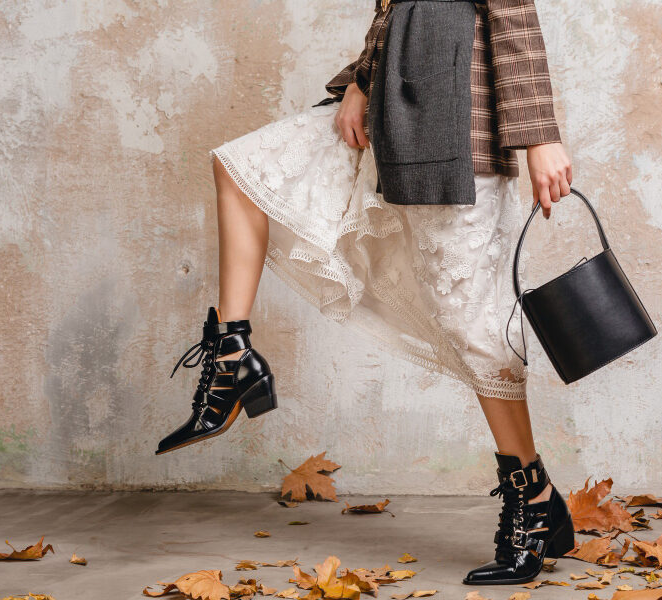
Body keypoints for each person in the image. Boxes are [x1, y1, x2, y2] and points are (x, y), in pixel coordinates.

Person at [156, 0, 575, 586]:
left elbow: (513, 12)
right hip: (390, 107)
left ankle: (535, 500)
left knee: (473, 327)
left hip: (459, 125)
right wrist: (360, 81)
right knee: (243, 169)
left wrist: (540, 137)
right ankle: (232, 354)